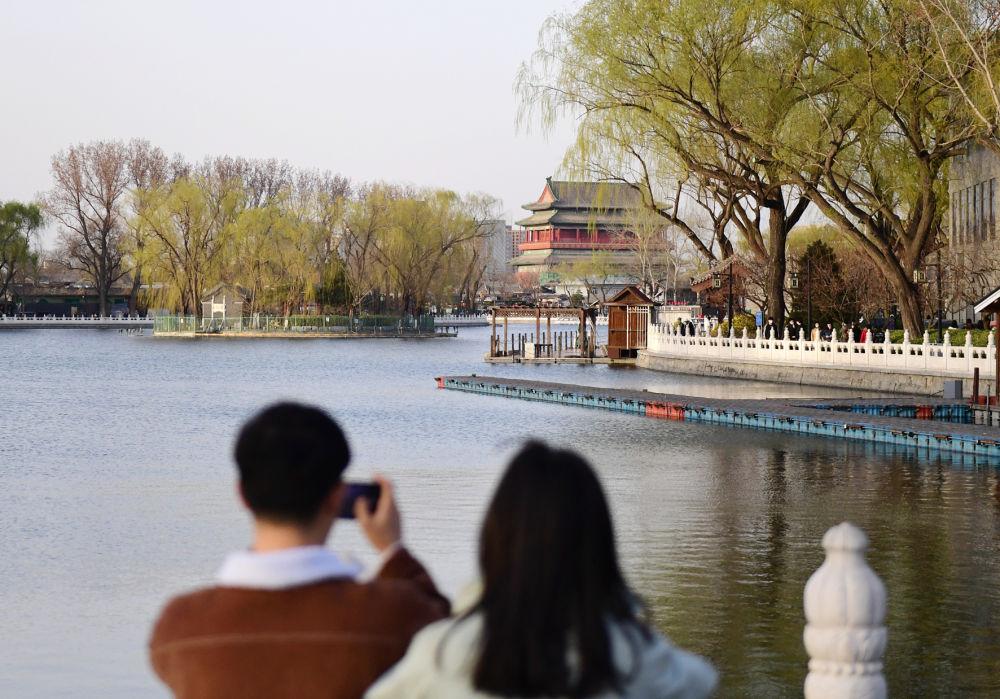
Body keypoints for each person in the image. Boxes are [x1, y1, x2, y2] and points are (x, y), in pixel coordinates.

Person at [366, 442, 718, 699]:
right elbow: (703, 678)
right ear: (598, 545)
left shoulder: (443, 656)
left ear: (495, 538)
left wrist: (392, 550)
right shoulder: (645, 662)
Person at [149, 403, 449, 699]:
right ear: (336, 497)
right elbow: (445, 637)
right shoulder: (392, 615)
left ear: (242, 495)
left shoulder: (179, 629)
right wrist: (392, 549)